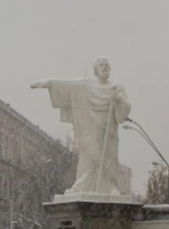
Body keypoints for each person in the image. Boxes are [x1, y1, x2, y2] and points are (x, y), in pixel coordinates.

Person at [31, 57, 131, 196]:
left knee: (109, 158)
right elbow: (69, 85)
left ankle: (110, 186)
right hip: (90, 129)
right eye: (101, 65)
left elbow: (124, 110)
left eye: (107, 65)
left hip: (109, 130)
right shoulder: (86, 85)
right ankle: (82, 186)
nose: (104, 67)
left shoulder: (116, 87)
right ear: (95, 70)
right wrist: (49, 83)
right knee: (88, 158)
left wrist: (118, 98)